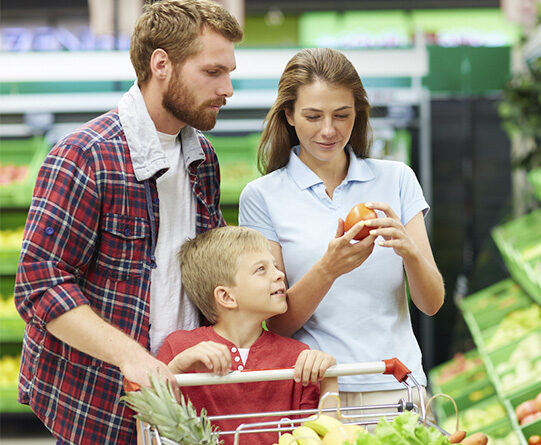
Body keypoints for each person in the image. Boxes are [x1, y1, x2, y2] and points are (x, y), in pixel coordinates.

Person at [13, 1, 242, 443]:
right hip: (98, 403)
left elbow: (205, 271)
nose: (227, 88)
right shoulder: (86, 155)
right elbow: (41, 284)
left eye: (229, 72)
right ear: (162, 64)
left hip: (182, 399)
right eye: (213, 72)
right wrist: (133, 357)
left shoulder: (202, 159)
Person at [238, 48, 445, 410]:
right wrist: (329, 268)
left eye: (342, 115)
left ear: (358, 114)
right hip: (316, 395)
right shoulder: (262, 196)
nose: (328, 130)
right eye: (313, 116)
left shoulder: (396, 179)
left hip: (398, 388)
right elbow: (278, 326)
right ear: (288, 114)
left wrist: (408, 252)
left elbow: (431, 304)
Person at [157, 226, 337, 444]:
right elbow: (155, 420)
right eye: (261, 269)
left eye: (276, 266)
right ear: (226, 296)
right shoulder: (180, 347)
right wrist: (177, 367)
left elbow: (319, 436)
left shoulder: (298, 356)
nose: (279, 274)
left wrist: (329, 378)